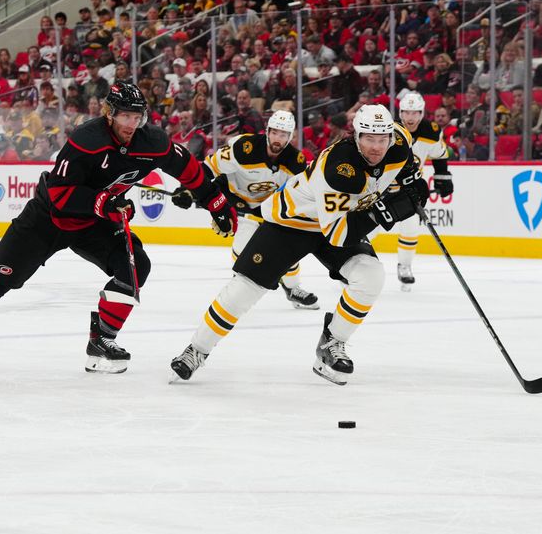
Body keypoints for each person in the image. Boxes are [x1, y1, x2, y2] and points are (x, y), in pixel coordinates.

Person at [0, 82, 237, 373]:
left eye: (138, 117)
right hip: (47, 219)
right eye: (125, 117)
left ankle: (102, 340)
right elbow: (61, 195)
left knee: (134, 267)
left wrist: (216, 203)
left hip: (93, 224)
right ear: (110, 114)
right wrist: (104, 203)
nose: (132, 124)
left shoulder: (152, 142)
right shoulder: (86, 139)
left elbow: (188, 169)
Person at [169, 104, 429, 385]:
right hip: (294, 221)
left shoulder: (399, 142)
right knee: (245, 288)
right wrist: (388, 212)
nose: (377, 147)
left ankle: (332, 344)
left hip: (342, 219)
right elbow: (339, 236)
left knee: (371, 276)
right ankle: (196, 350)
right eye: (369, 139)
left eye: (382, 139)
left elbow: (404, 170)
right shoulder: (338, 167)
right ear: (356, 136)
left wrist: (413, 184)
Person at [171, 110, 320, 309]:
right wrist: (188, 190)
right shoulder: (243, 147)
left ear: (290, 136)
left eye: (283, 134)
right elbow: (209, 168)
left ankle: (292, 289)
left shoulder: (296, 162)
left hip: (268, 208)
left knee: (286, 249)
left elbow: (302, 192)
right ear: (267, 131)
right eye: (275, 132)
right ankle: (241, 282)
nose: (278, 139)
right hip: (236, 201)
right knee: (243, 248)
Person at [393, 93, 453, 289]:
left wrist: (442, 177)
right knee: (369, 229)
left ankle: (405, 267)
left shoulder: (431, 132)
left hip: (409, 190)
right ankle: (351, 266)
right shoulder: (390, 130)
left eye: (416, 113)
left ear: (422, 113)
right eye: (407, 112)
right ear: (400, 113)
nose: (411, 117)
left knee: (410, 228)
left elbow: (440, 154)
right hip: (383, 189)